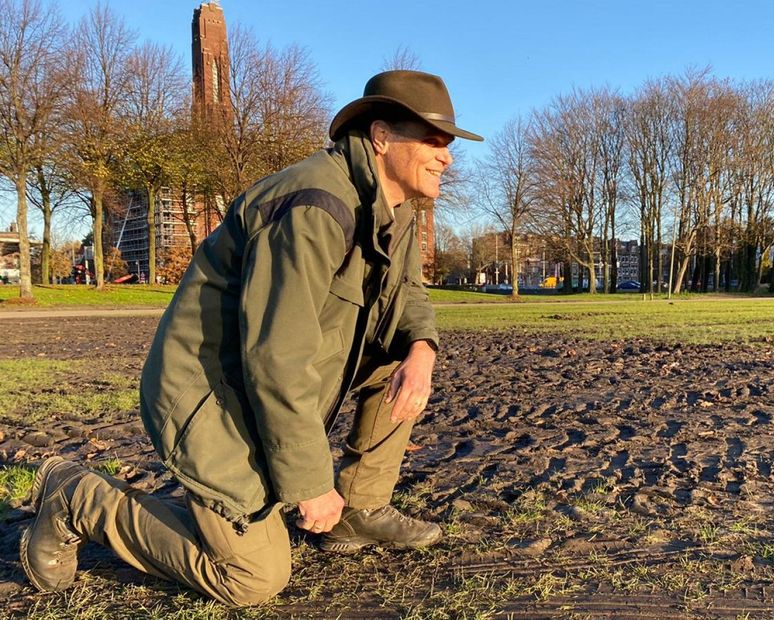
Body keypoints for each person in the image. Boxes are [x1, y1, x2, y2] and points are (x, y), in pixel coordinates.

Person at [20, 70, 482, 606]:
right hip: (213, 393)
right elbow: (276, 356)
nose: (446, 156)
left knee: (400, 360)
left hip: (262, 382)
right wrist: (309, 482)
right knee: (254, 578)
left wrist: (422, 349)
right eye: (432, 140)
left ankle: (357, 510)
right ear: (381, 137)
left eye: (448, 143)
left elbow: (408, 294)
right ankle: (78, 497)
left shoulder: (392, 210)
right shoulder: (314, 205)